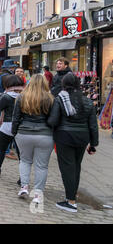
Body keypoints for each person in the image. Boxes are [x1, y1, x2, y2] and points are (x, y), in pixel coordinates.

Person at [47, 73, 99, 213]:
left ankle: (71, 201)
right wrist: (93, 144)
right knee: (76, 166)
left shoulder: (60, 99)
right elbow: (93, 125)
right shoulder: (87, 101)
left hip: (64, 137)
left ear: (64, 84)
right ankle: (73, 194)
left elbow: (53, 120)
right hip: (82, 138)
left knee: (67, 168)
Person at [12, 74, 55, 204]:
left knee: (25, 161)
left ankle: (24, 187)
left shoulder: (22, 97)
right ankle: (37, 194)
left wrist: (14, 133)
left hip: (24, 133)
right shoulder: (51, 99)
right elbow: (53, 119)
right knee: (41, 166)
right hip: (45, 135)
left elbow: (15, 117)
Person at [0, 75, 25, 178]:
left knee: (1, 149)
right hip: (21, 126)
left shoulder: (6, 96)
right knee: (21, 153)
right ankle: (22, 178)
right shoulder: (26, 95)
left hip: (7, 125)